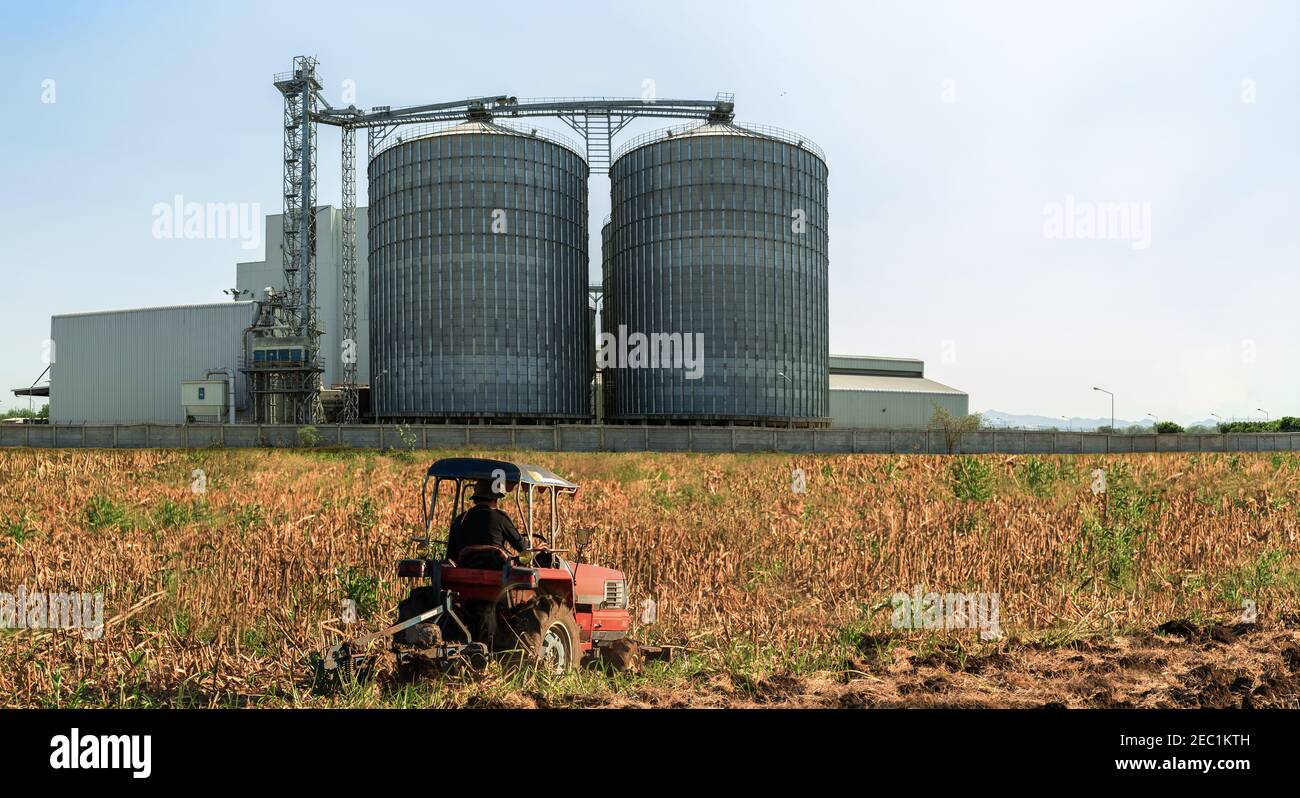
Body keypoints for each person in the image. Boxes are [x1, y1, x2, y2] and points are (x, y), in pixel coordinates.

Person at [445, 478, 541, 564]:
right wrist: (537, 548)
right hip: (498, 572)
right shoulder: (500, 517)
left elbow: (450, 556)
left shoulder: (460, 519)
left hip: (464, 571)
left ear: (475, 499)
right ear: (495, 499)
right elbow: (523, 548)